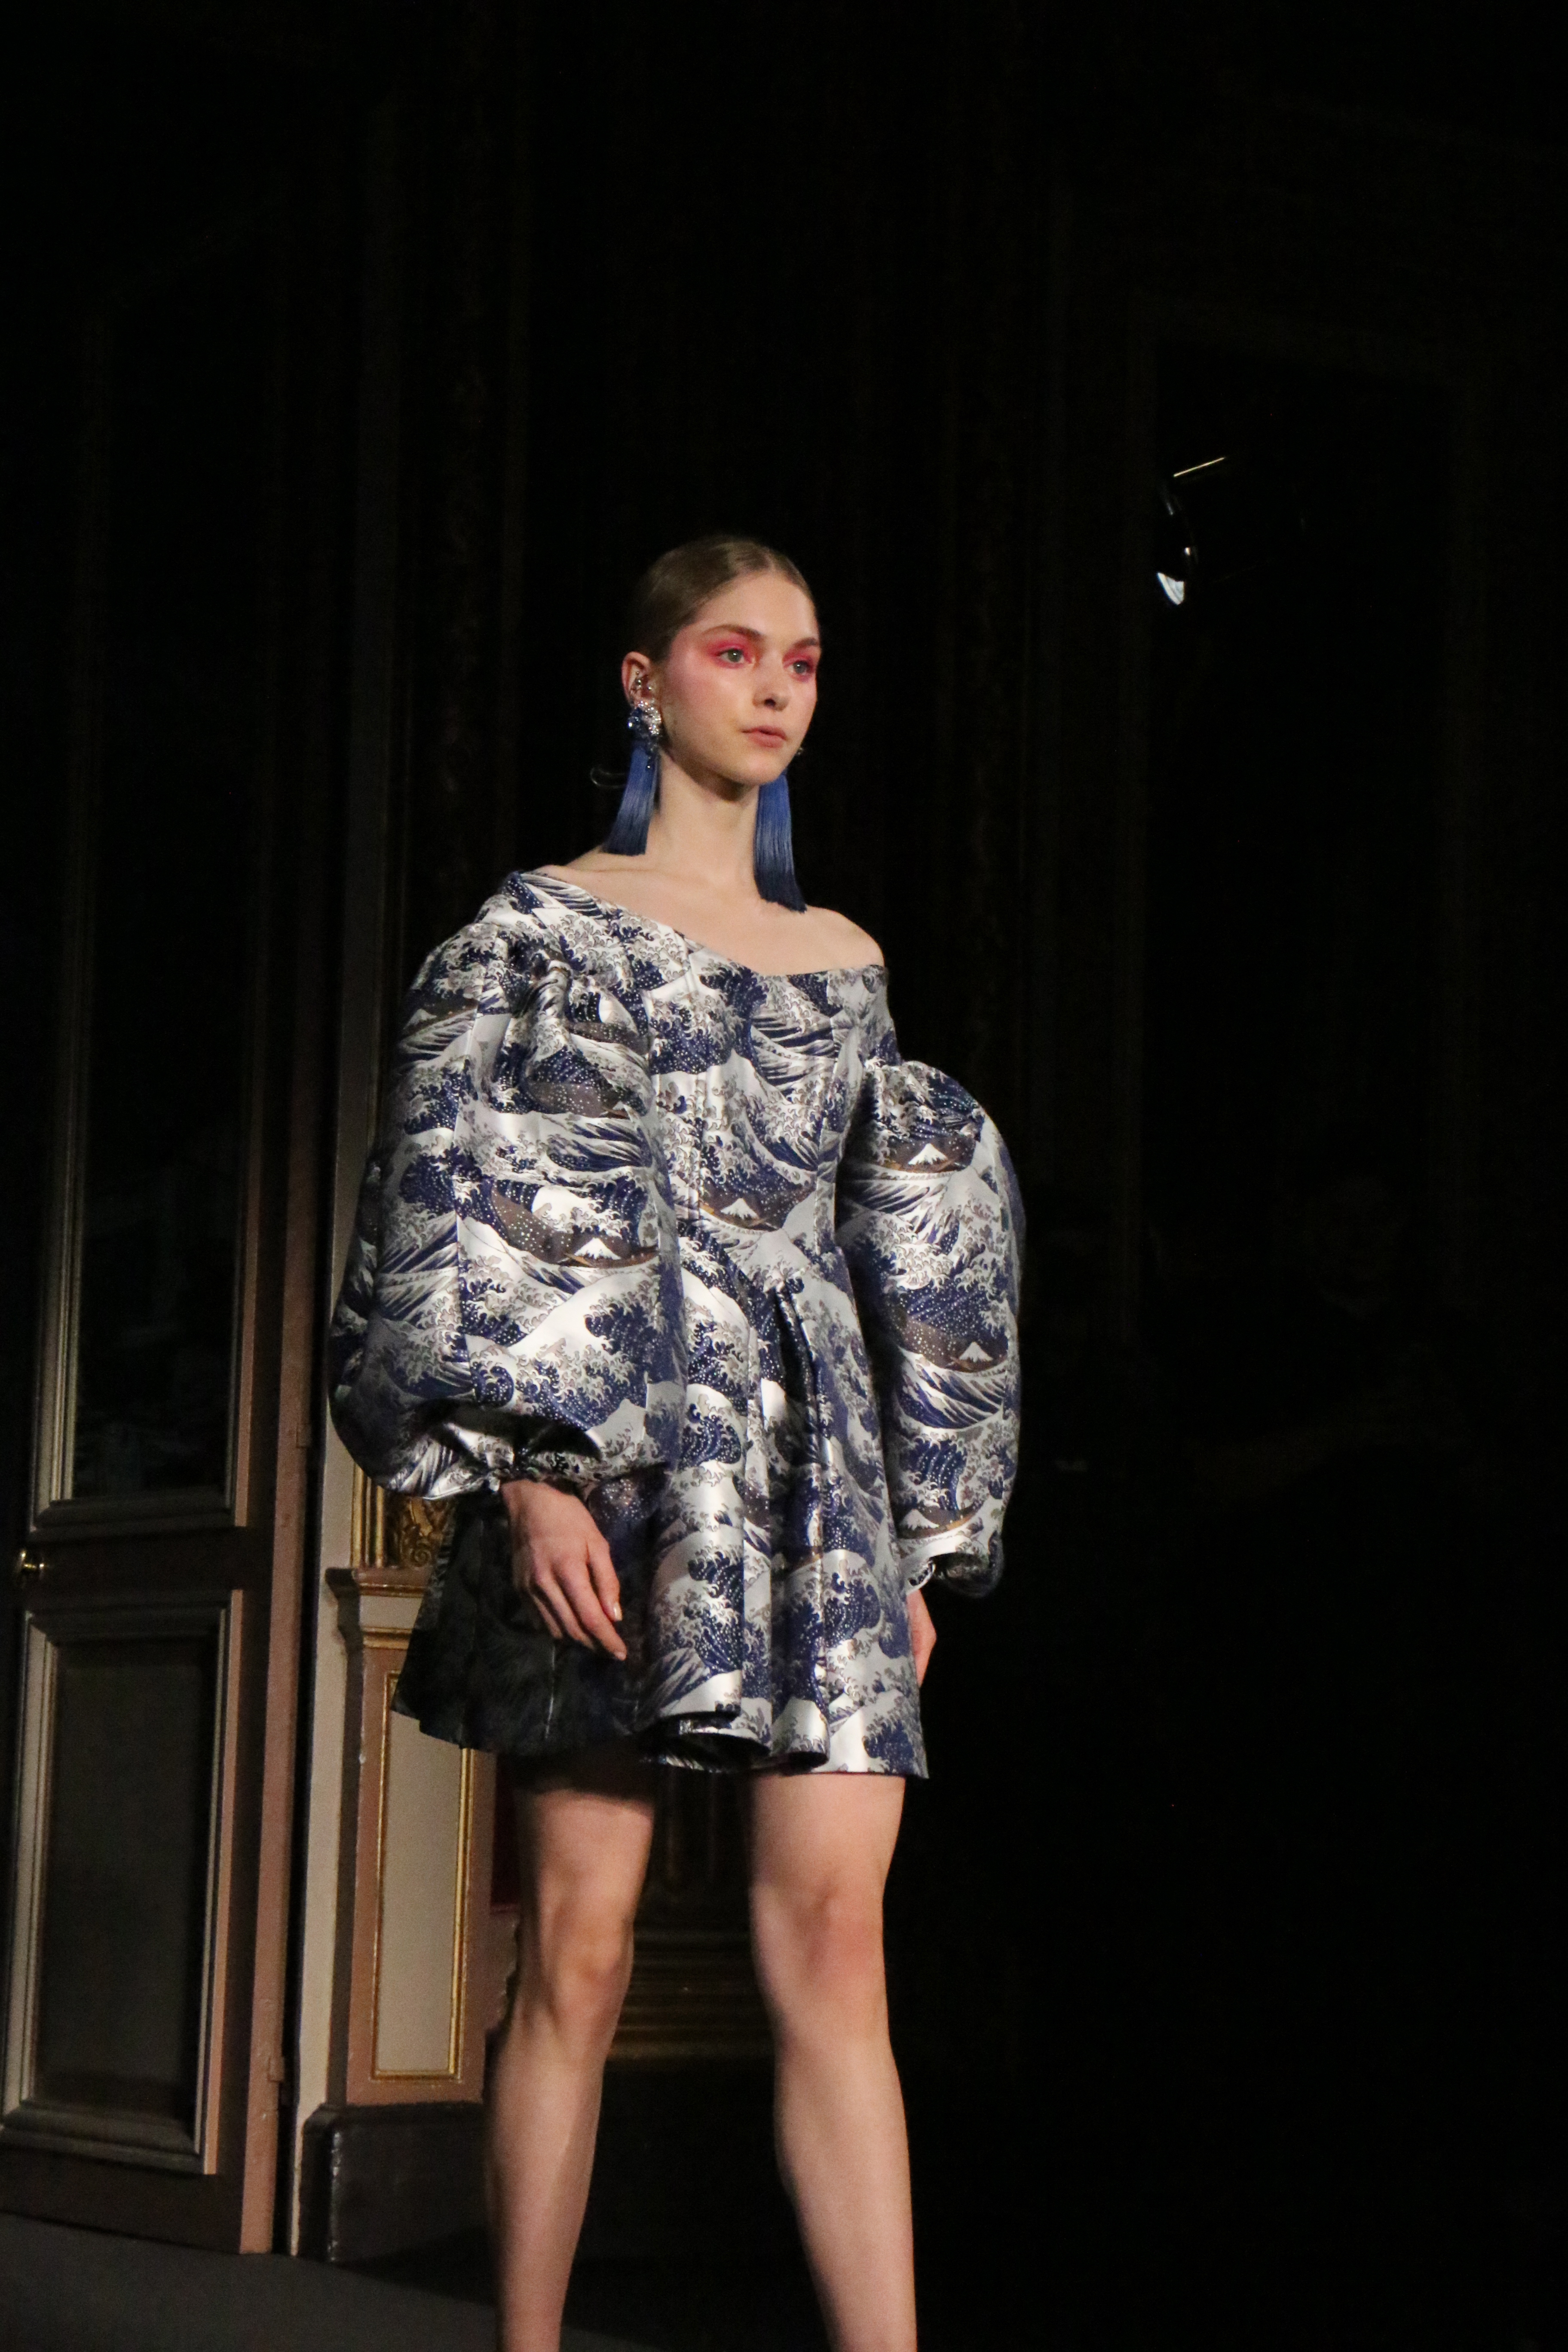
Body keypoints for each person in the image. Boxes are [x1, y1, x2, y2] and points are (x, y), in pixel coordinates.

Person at [329, 534, 1023, 2352]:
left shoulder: (847, 961)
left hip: (816, 1473)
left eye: (806, 658)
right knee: (579, 1945)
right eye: (736, 652)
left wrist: (917, 1539)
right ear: (645, 682)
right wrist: (531, 1475)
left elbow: (912, 1240)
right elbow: (466, 1192)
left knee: (838, 1949)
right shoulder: (538, 932)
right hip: (615, 1440)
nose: (780, 687)